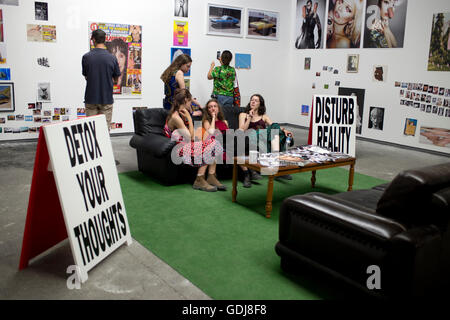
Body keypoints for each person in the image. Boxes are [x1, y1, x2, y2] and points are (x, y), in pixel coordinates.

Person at [164, 88, 226, 192]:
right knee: (212, 144)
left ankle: (211, 176)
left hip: (187, 144)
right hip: (180, 149)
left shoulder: (181, 112)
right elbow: (191, 137)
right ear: (185, 100)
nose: (191, 103)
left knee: (214, 142)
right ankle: (199, 179)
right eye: (190, 101)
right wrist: (188, 117)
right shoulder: (176, 117)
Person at [82, 29, 121, 164]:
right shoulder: (112, 58)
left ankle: (91, 159)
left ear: (93, 39)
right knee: (104, 131)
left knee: (91, 130)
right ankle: (104, 160)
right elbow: (116, 78)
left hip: (91, 98)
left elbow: (86, 76)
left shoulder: (86, 57)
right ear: (105, 40)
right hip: (106, 99)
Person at [238, 94, 294, 187]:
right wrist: (249, 118)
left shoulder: (264, 116)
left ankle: (277, 163)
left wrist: (284, 130)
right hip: (251, 138)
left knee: (275, 128)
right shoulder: (243, 115)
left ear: (260, 104)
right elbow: (241, 129)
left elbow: (274, 126)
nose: (253, 102)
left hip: (263, 140)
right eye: (252, 100)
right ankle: (277, 165)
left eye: (256, 100)